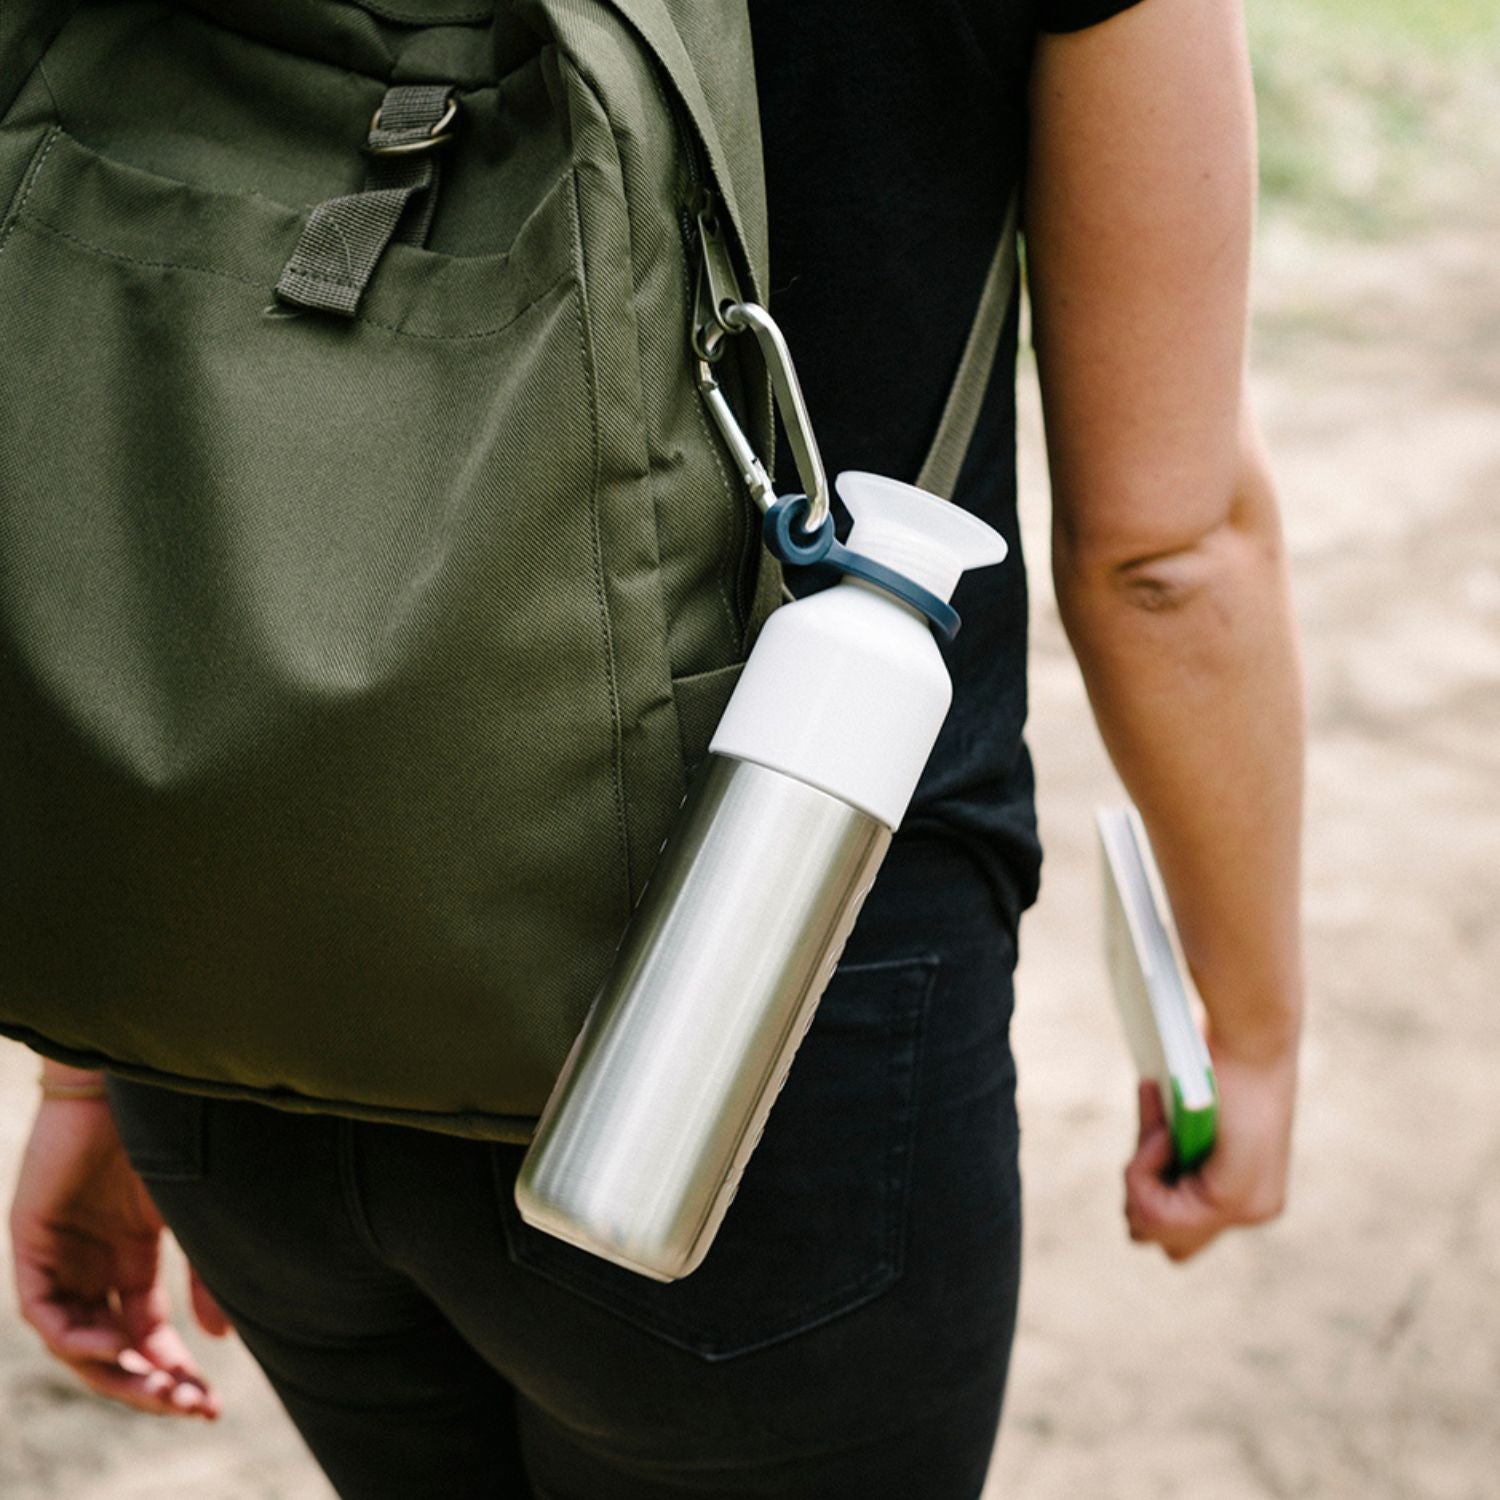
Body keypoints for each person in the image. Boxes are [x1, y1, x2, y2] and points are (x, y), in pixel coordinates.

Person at [7, 0, 1304, 1495]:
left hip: (235, 982)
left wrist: (97, 1065)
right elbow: (1168, 553)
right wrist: (1250, 1034)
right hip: (755, 1044)